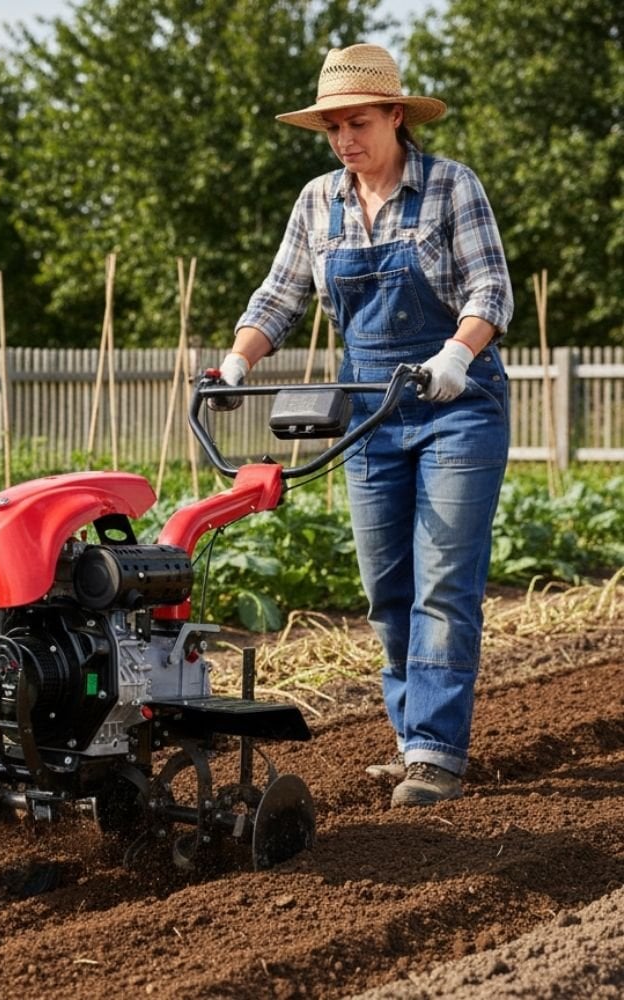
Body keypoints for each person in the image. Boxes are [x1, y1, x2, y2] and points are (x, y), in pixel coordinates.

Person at [218, 43, 513, 807]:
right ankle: (414, 736)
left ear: (395, 117)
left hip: (457, 406)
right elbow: (278, 298)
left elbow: (491, 287)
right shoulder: (320, 201)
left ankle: (436, 755)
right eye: (332, 129)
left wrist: (455, 353)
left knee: (444, 583)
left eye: (358, 123)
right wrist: (235, 364)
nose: (346, 140)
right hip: (371, 416)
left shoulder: (451, 186)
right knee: (386, 589)